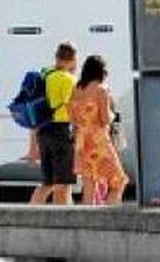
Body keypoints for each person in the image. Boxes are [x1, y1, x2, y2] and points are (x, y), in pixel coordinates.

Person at [69, 55, 127, 205]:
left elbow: (71, 117)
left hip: (82, 143)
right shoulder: (102, 90)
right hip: (99, 141)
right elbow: (105, 119)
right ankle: (110, 215)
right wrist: (113, 114)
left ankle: (87, 218)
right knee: (119, 181)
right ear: (101, 71)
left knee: (89, 187)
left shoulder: (76, 90)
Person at [31, 42, 79, 206]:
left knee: (47, 182)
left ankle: (30, 213)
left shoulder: (45, 76)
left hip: (44, 131)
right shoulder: (69, 80)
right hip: (61, 131)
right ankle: (62, 217)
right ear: (73, 59)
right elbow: (74, 110)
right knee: (63, 184)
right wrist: (77, 134)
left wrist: (33, 146)